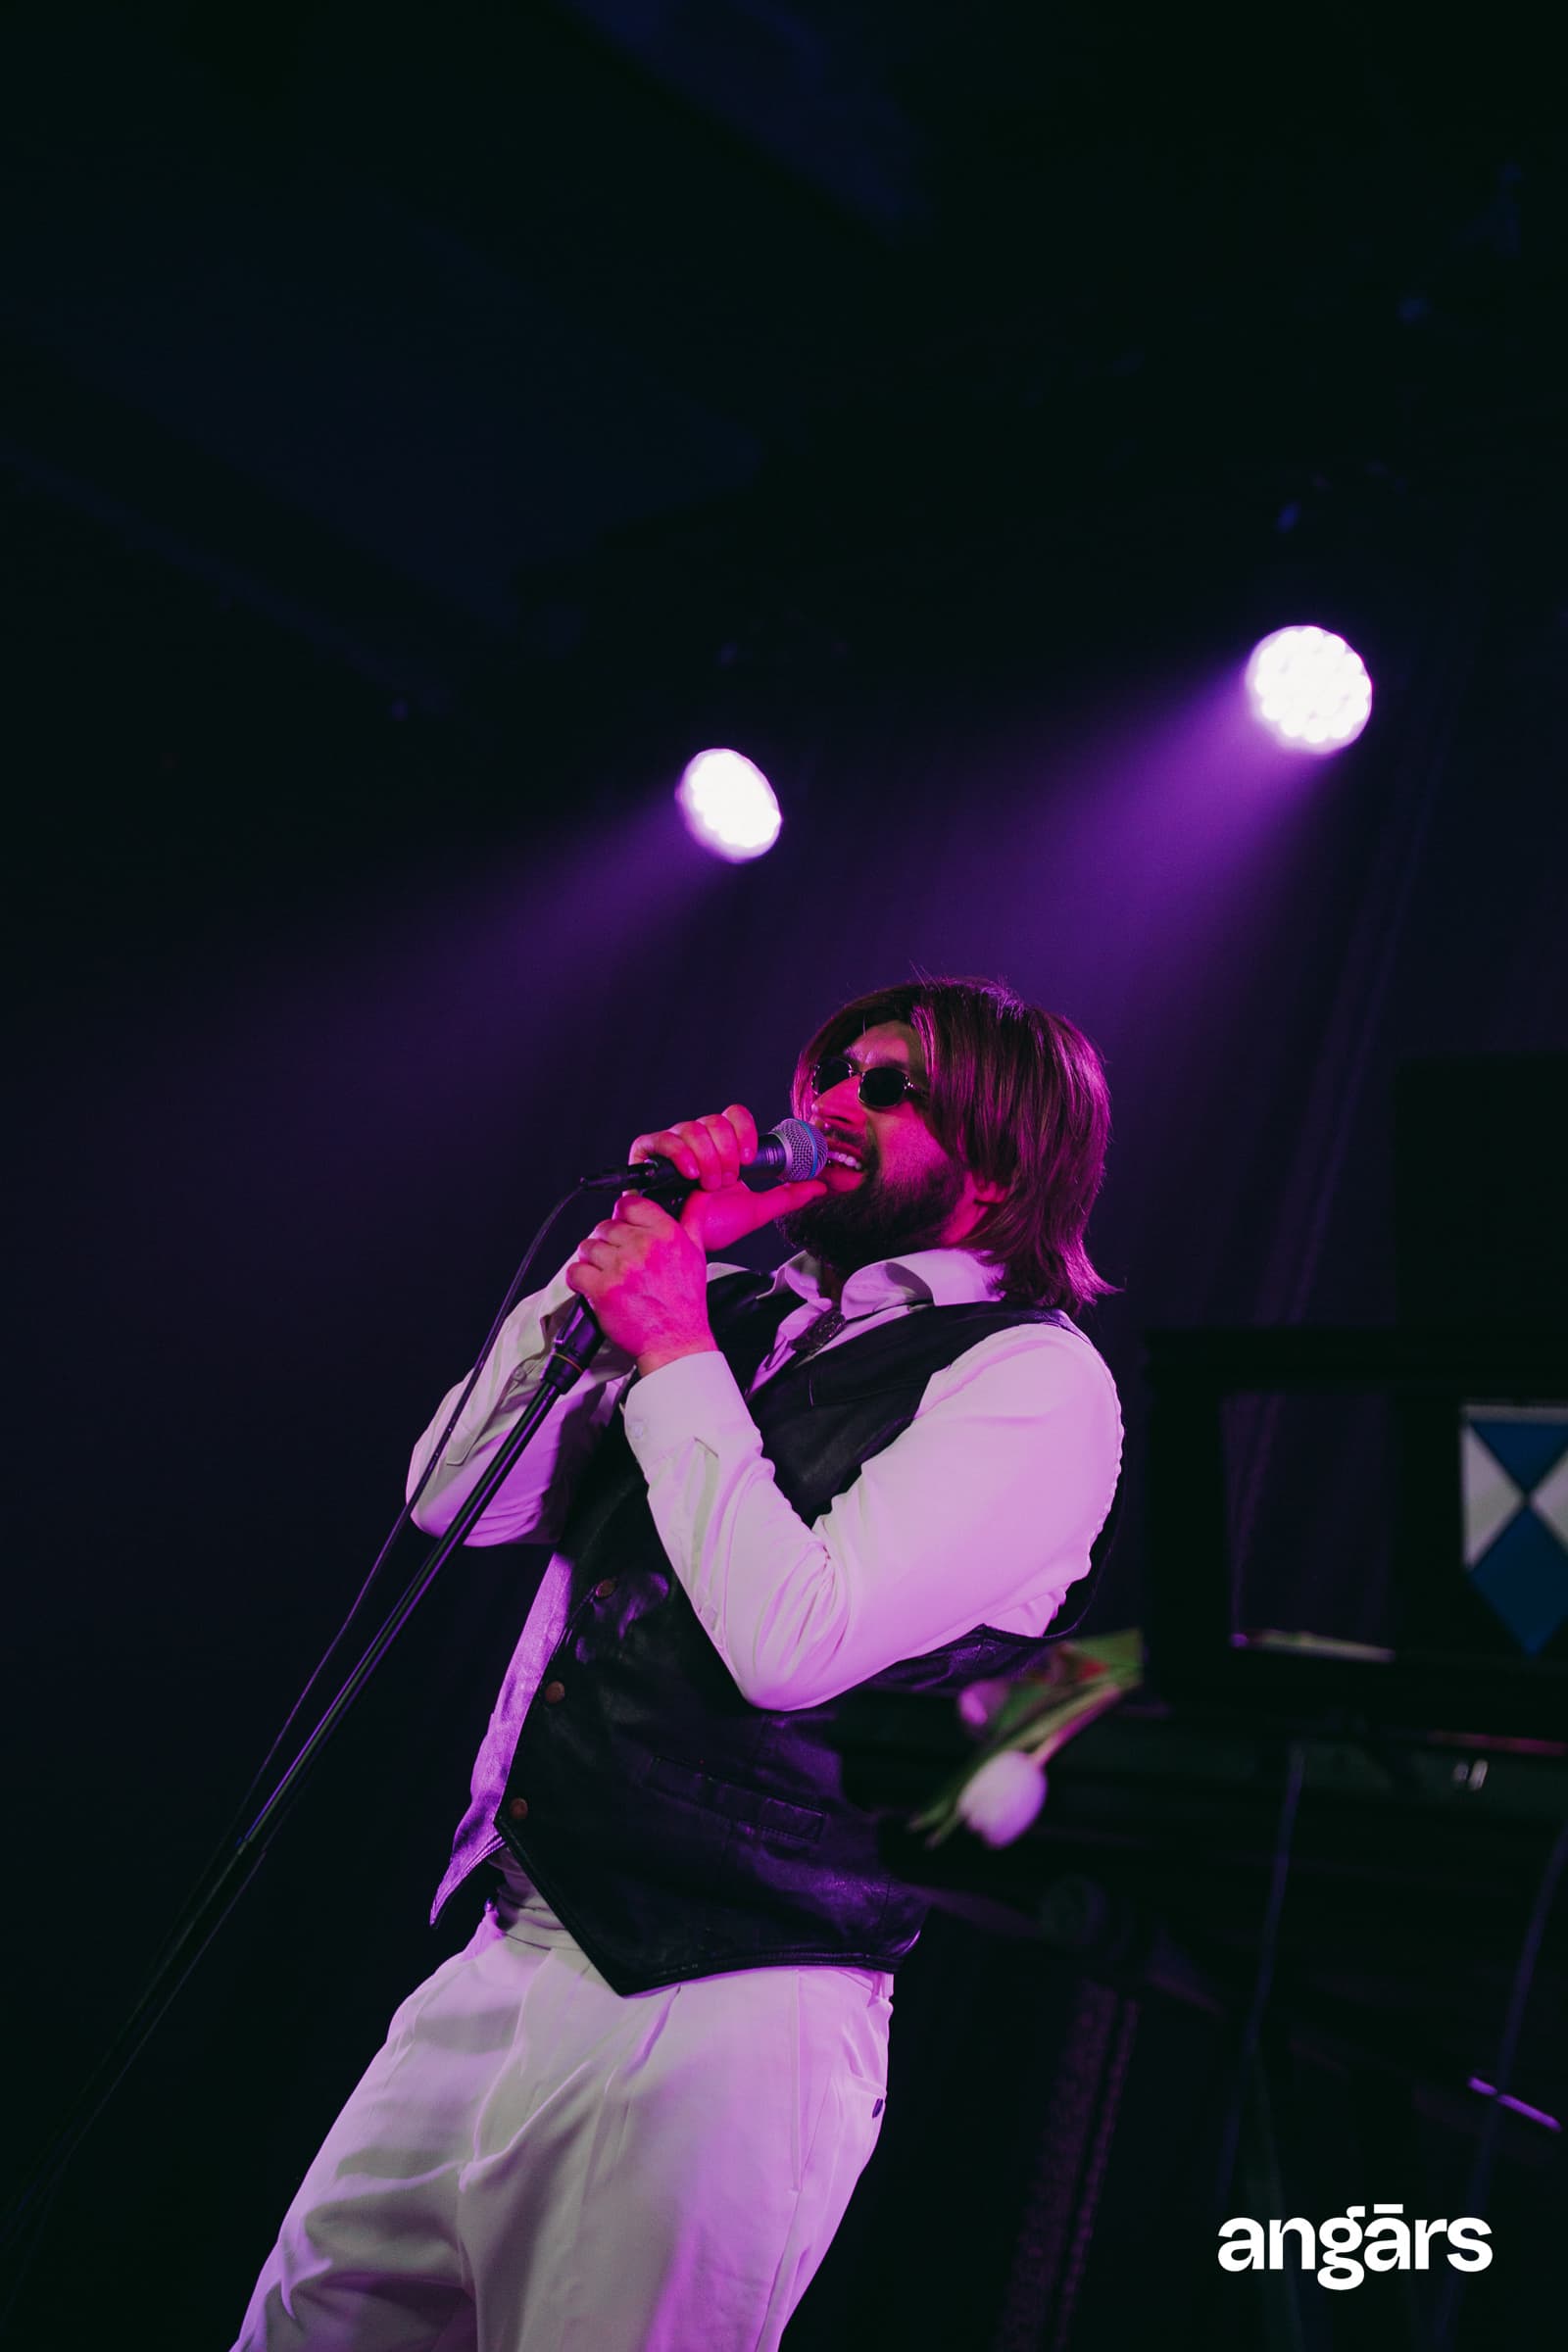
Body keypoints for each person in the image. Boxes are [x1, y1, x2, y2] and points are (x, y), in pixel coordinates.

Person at [232, 976, 1123, 2352]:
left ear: (1002, 1164)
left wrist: (672, 1343)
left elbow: (793, 1643)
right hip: (504, 1948)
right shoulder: (731, 1314)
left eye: (889, 1088)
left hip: (725, 2011)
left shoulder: (1034, 1381)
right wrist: (651, 1254)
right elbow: (454, 1492)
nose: (837, 1106)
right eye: (831, 1075)